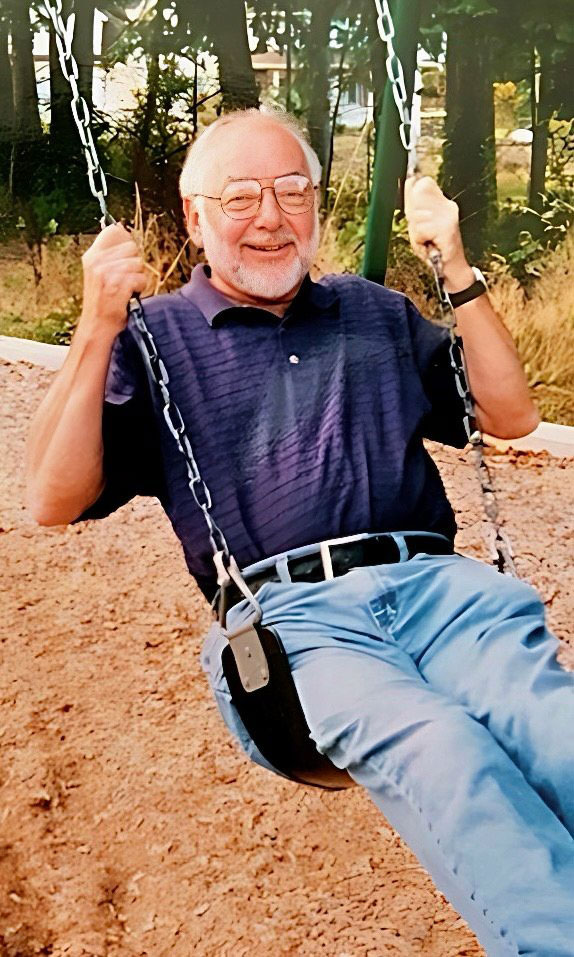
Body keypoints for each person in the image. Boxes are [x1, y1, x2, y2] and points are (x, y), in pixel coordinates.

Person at [25, 107, 574, 956]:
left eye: (292, 191)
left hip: (441, 592)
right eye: (239, 197)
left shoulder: (373, 310)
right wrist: (97, 324)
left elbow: (511, 413)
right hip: (297, 630)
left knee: (553, 726)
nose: (271, 217)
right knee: (444, 749)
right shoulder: (155, 337)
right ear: (195, 216)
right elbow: (51, 499)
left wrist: (456, 267)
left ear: (318, 204)